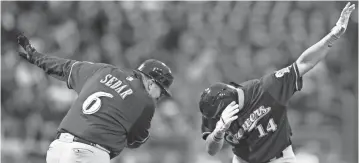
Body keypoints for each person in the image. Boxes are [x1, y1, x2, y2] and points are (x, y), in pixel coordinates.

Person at [198, 2, 355, 163]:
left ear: (228, 104)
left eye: (218, 116)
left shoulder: (267, 88)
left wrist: (332, 36)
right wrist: (217, 133)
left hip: (279, 159)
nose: (216, 119)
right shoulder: (213, 110)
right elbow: (211, 150)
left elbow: (302, 64)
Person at [17, 34, 174, 163]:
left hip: (57, 150)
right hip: (88, 154)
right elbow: (136, 140)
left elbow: (64, 68)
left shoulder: (103, 71)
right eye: (161, 92)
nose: (159, 97)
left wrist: (36, 57)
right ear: (152, 83)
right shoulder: (146, 101)